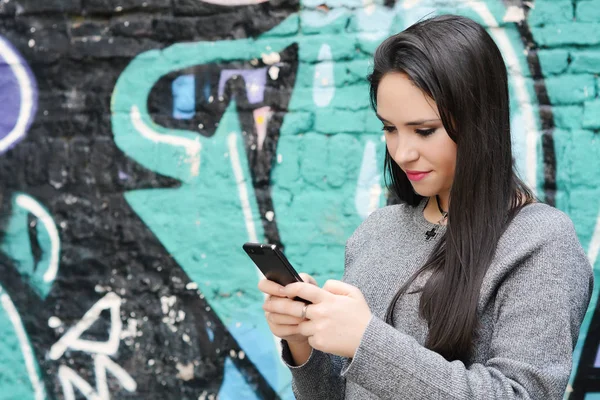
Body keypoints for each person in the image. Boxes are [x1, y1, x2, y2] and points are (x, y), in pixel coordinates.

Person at [257, 14, 593, 399]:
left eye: (424, 130)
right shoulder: (376, 232)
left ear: (478, 120)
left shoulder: (541, 241)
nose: (403, 152)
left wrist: (368, 341)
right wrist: (304, 342)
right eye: (389, 128)